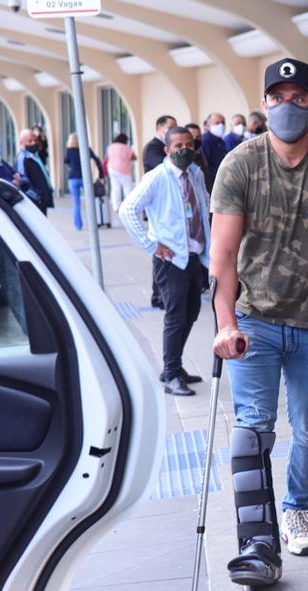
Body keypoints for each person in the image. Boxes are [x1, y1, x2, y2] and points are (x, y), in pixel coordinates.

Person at [209, 57, 308, 586]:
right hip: (253, 323)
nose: (287, 105)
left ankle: (296, 508)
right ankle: (257, 542)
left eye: (298, 96)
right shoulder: (239, 164)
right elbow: (223, 258)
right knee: (252, 430)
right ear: (264, 104)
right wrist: (225, 322)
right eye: (277, 96)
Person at [119, 126, 210, 397]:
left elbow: (203, 208)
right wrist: (151, 245)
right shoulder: (156, 177)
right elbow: (128, 210)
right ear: (167, 150)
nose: (184, 150)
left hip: (194, 254)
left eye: (188, 144)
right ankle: (171, 374)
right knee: (175, 316)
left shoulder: (195, 173)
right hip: (170, 260)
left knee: (192, 312)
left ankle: (175, 366)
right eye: (177, 146)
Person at [143, 115, 177, 308]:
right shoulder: (153, 148)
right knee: (160, 252)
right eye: (170, 127)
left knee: (165, 253)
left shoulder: (163, 146)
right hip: (158, 209)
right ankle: (158, 296)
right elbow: (164, 168)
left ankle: (160, 294)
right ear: (159, 128)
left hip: (167, 207)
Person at [63, 133, 103, 231]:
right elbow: (97, 160)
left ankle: (78, 225)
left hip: (73, 178)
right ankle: (93, 223)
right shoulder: (85, 149)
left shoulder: (69, 151)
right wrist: (100, 174)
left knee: (76, 203)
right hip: (85, 178)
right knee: (90, 201)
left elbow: (66, 161)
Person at [16, 128, 54, 215]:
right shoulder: (23, 159)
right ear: (22, 142)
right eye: (30, 141)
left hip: (42, 202)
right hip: (35, 203)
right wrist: (37, 197)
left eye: (35, 140)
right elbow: (22, 181)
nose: (34, 143)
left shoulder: (35, 156)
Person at [106, 133, 136, 218]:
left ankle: (116, 206)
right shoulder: (126, 148)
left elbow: (108, 156)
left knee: (115, 187)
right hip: (123, 169)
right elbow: (133, 157)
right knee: (128, 187)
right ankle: (129, 205)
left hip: (111, 168)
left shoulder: (111, 146)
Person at [201, 112, 228, 193]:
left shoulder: (221, 141)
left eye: (223, 123)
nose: (221, 125)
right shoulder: (205, 141)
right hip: (212, 183)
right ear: (208, 125)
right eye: (217, 123)